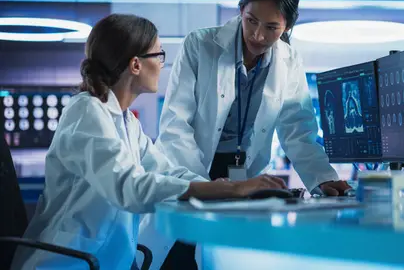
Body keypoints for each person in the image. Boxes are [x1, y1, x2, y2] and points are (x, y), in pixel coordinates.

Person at [9, 14, 286, 270]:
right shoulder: (87, 111)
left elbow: (165, 171)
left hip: (102, 261)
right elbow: (130, 188)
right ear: (136, 64)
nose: (162, 65)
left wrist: (224, 188)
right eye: (159, 55)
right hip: (66, 262)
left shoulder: (127, 121)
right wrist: (234, 189)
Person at [138, 0, 352, 269]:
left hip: (246, 177)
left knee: (226, 258)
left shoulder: (289, 62)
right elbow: (176, 125)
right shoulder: (200, 45)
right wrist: (204, 186)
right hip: (190, 166)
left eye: (272, 27)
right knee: (180, 258)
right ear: (241, 10)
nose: (258, 35)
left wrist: (323, 178)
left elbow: (298, 132)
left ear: (288, 26)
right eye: (251, 20)